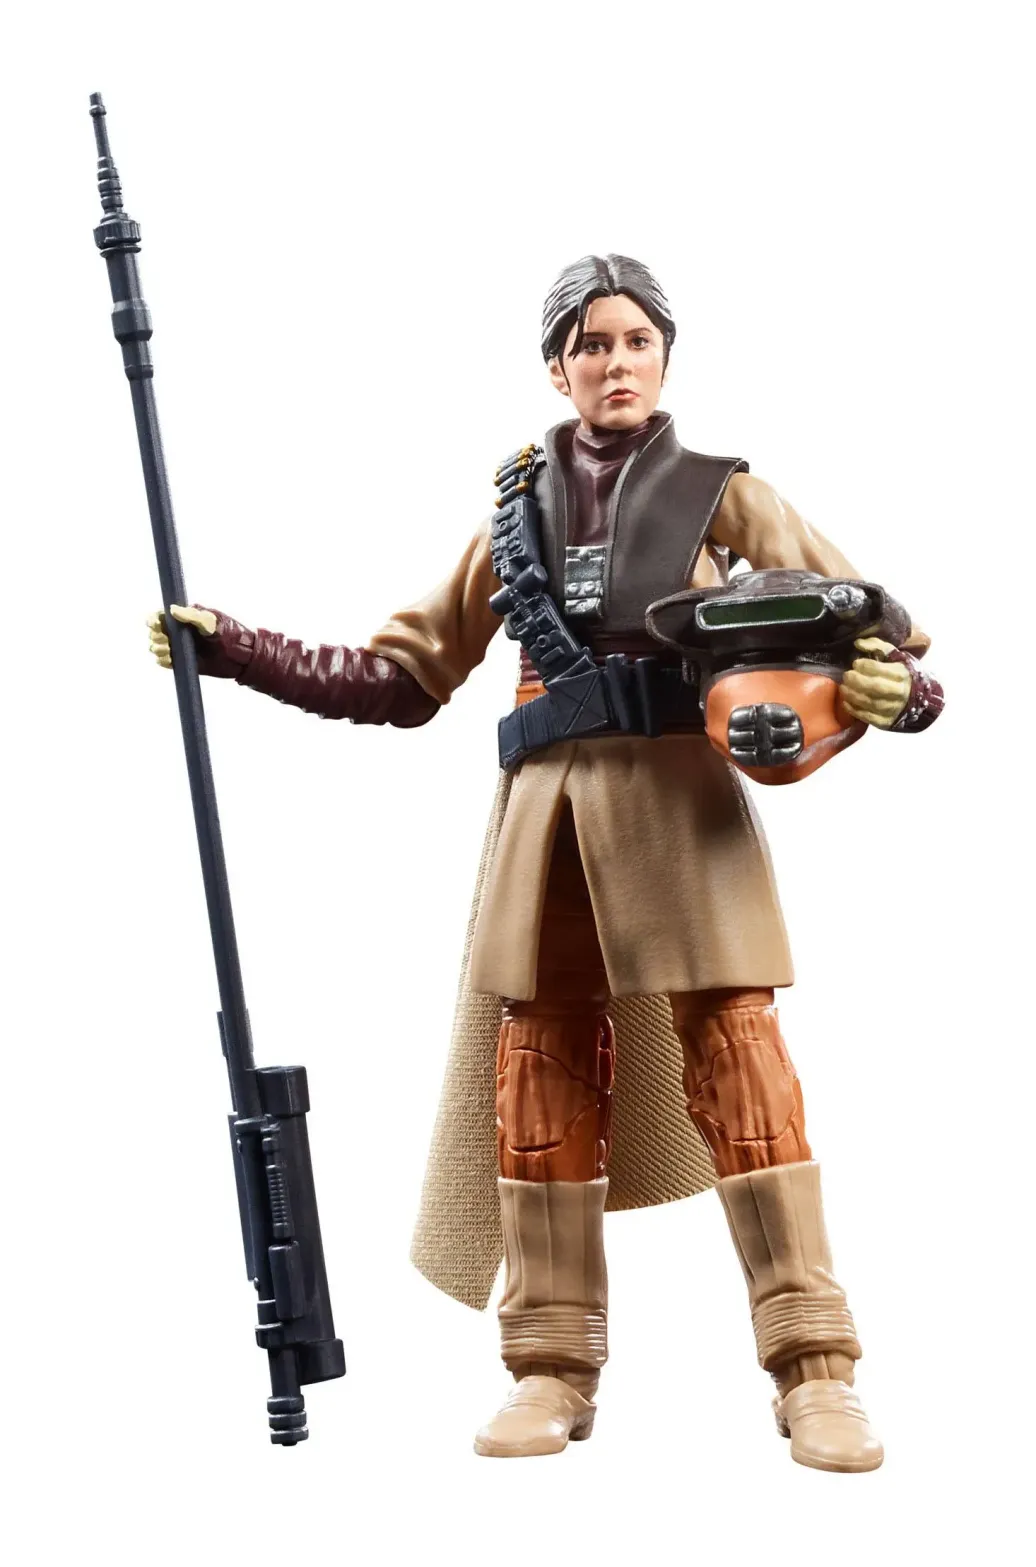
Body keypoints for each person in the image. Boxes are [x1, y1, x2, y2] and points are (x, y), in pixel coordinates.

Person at [148, 254, 942, 1471]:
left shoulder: (726, 494)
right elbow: (401, 676)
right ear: (557, 368)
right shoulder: (512, 517)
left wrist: (897, 694)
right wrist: (235, 648)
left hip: (680, 813)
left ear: (664, 356)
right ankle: (550, 1364)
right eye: (591, 344)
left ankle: (815, 1367)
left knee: (744, 1069)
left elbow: (874, 636)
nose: (615, 363)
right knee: (539, 1080)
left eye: (634, 341)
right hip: (546, 825)